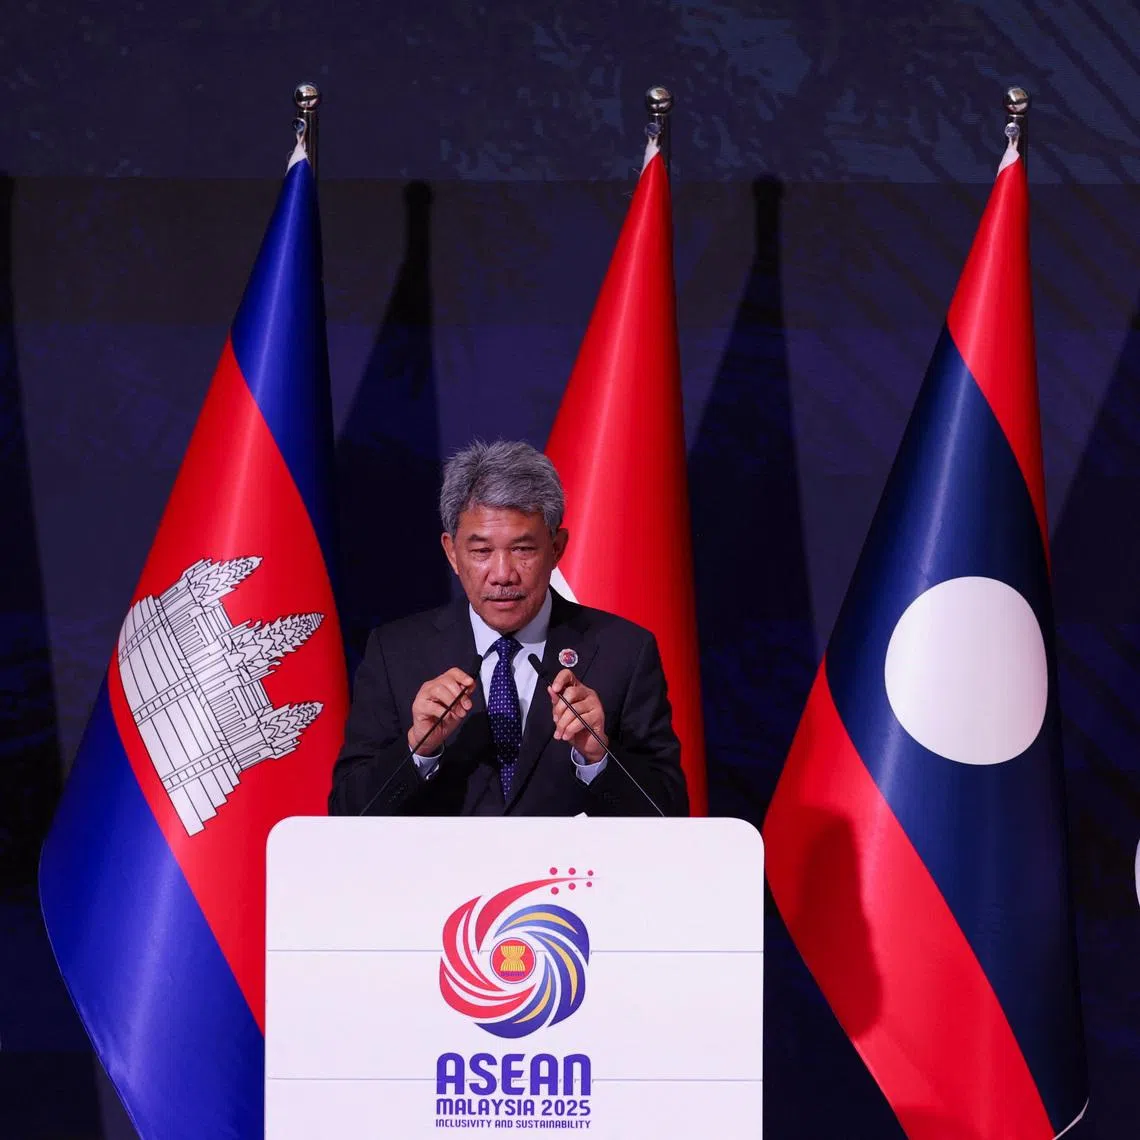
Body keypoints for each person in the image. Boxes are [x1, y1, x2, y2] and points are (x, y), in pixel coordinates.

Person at [328, 439, 689, 817]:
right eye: (481, 551)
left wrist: (598, 756)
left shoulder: (624, 651)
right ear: (452, 552)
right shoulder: (396, 653)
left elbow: (669, 815)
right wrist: (418, 747)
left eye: (523, 549)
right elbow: (347, 813)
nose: (502, 575)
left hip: (569, 876)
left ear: (557, 548)